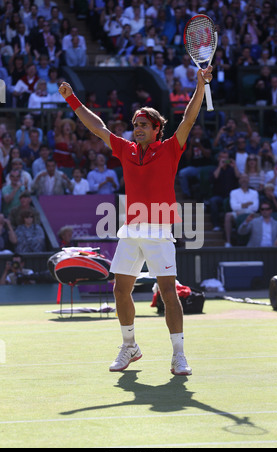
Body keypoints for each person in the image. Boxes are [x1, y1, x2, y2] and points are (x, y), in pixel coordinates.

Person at [58, 64, 213, 376]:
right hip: (130, 229)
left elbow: (189, 118)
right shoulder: (126, 149)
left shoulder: (170, 148)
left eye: (143, 124)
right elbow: (98, 127)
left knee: (169, 292)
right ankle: (130, 346)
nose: (137, 128)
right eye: (134, 124)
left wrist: (199, 85)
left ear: (156, 129)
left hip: (159, 230)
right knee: (120, 290)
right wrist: (72, 99)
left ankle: (178, 355)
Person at [224, 173, 260, 247]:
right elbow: (233, 207)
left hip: (250, 214)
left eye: (246, 178)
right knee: (228, 216)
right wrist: (247, 204)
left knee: (258, 216)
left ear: (248, 180)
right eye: (242, 178)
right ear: (239, 180)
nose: (244, 180)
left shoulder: (254, 193)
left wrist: (241, 207)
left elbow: (255, 208)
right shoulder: (233, 192)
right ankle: (228, 242)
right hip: (236, 214)